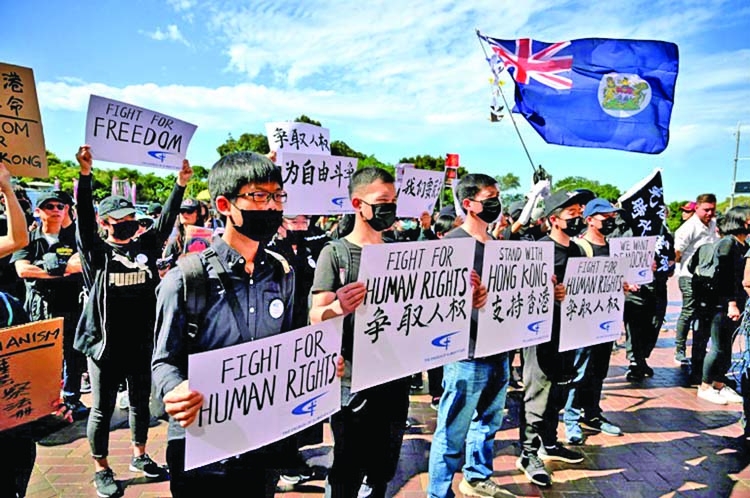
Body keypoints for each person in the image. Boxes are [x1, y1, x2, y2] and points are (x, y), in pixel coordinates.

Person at [153, 151, 305, 497]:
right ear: (224, 204)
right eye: (258, 196)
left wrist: (319, 362)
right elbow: (162, 361)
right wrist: (175, 390)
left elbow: (289, 346)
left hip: (260, 441)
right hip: (199, 445)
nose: (272, 207)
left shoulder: (282, 273)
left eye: (278, 196)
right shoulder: (186, 278)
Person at [74, 145, 190, 497]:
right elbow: (80, 218)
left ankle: (140, 455)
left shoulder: (146, 247)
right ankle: (101, 467)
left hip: (142, 344)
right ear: (104, 223)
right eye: (118, 221)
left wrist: (180, 184)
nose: (126, 225)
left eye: (130, 220)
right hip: (103, 348)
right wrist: (84, 176)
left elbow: (166, 221)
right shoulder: (96, 253)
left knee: (141, 404)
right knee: (102, 410)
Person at [309, 167, 410, 498]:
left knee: (383, 467)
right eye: (382, 201)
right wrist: (338, 307)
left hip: (394, 376)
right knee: (347, 467)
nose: (390, 209)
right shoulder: (334, 253)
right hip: (353, 381)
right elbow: (316, 316)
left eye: (393, 202)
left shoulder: (399, 251)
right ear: (357, 203)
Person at [427, 173, 510, 498]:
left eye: (496, 197)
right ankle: (439, 492)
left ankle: (477, 476)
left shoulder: (503, 247)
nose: (495, 205)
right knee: (452, 431)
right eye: (489, 198)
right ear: (468, 204)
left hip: (500, 350)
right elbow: (434, 304)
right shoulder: (451, 246)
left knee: (489, 423)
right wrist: (465, 302)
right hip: (466, 354)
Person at [517, 189, 589, 488]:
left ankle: (549, 441)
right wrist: (550, 294)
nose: (578, 217)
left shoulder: (577, 250)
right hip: (539, 335)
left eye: (579, 211)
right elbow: (521, 293)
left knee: (560, 390)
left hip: (568, 333)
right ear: (553, 219)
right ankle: (528, 453)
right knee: (538, 392)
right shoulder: (538, 250)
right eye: (571, 212)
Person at [12, 191, 88, 419]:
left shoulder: (73, 238)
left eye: (60, 206)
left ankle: (72, 400)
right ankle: (42, 404)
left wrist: (46, 271)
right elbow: (23, 270)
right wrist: (59, 272)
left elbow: (80, 265)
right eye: (49, 206)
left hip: (70, 305)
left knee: (73, 354)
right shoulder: (29, 239)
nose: (55, 210)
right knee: (42, 357)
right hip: (39, 307)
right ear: (38, 212)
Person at [562, 198, 624, 445]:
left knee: (598, 371)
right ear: (589, 219)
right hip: (582, 321)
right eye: (605, 218)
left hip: (606, 319)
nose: (611, 222)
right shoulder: (578, 247)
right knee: (579, 371)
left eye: (612, 217)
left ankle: (593, 414)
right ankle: (571, 418)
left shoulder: (615, 248)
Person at [696, 206, 749, 404]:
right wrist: (731, 303)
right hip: (722, 305)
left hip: (736, 302)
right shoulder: (728, 244)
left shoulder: (742, 245)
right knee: (718, 346)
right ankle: (705, 385)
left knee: (727, 345)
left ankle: (719, 383)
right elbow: (725, 278)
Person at [673, 194, 718, 366]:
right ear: (697, 208)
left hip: (708, 278)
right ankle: (679, 350)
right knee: (689, 311)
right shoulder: (688, 228)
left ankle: (698, 351)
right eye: (706, 209)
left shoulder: (714, 225)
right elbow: (677, 252)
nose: (710, 213)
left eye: (712, 209)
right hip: (689, 276)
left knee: (704, 314)